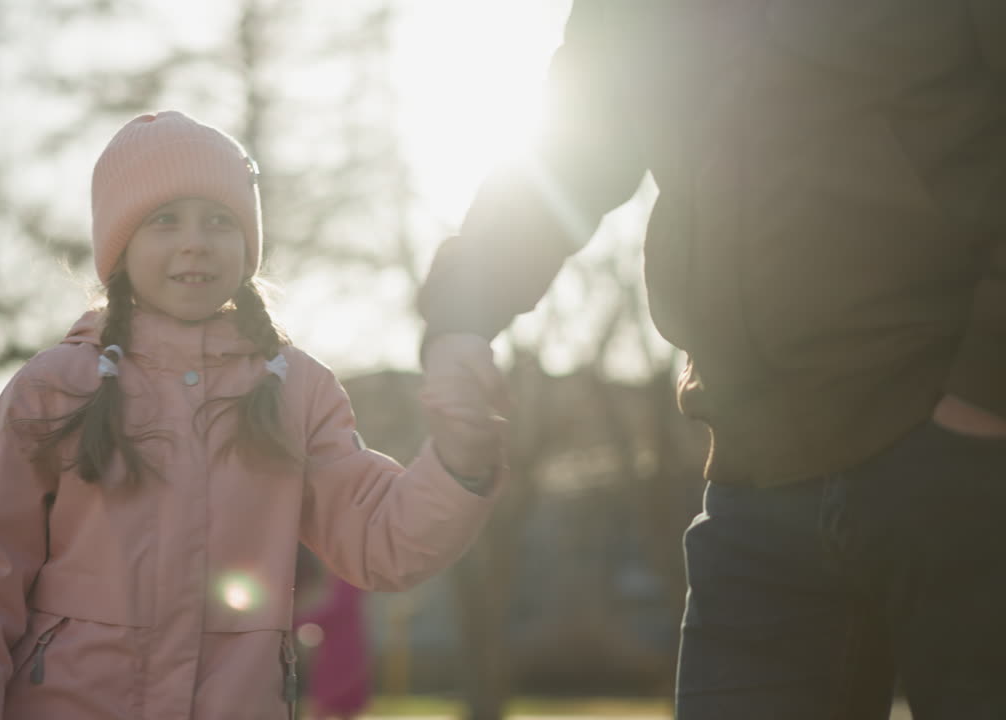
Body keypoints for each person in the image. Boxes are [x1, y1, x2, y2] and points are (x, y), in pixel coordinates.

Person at [417, 3, 1006, 718]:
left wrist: (984, 393)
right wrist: (460, 318)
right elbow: (567, 148)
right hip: (755, 485)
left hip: (963, 465)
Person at [0, 110, 507, 720]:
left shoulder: (298, 391)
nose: (195, 240)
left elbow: (382, 540)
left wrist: (460, 462)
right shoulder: (56, 386)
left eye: (219, 219)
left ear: (247, 245)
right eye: (165, 220)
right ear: (120, 244)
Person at [293, 547, 372, 720]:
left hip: (339, 651)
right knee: (339, 704)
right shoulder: (348, 581)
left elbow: (334, 612)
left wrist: (294, 621)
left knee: (330, 701)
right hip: (345, 648)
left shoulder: (347, 581)